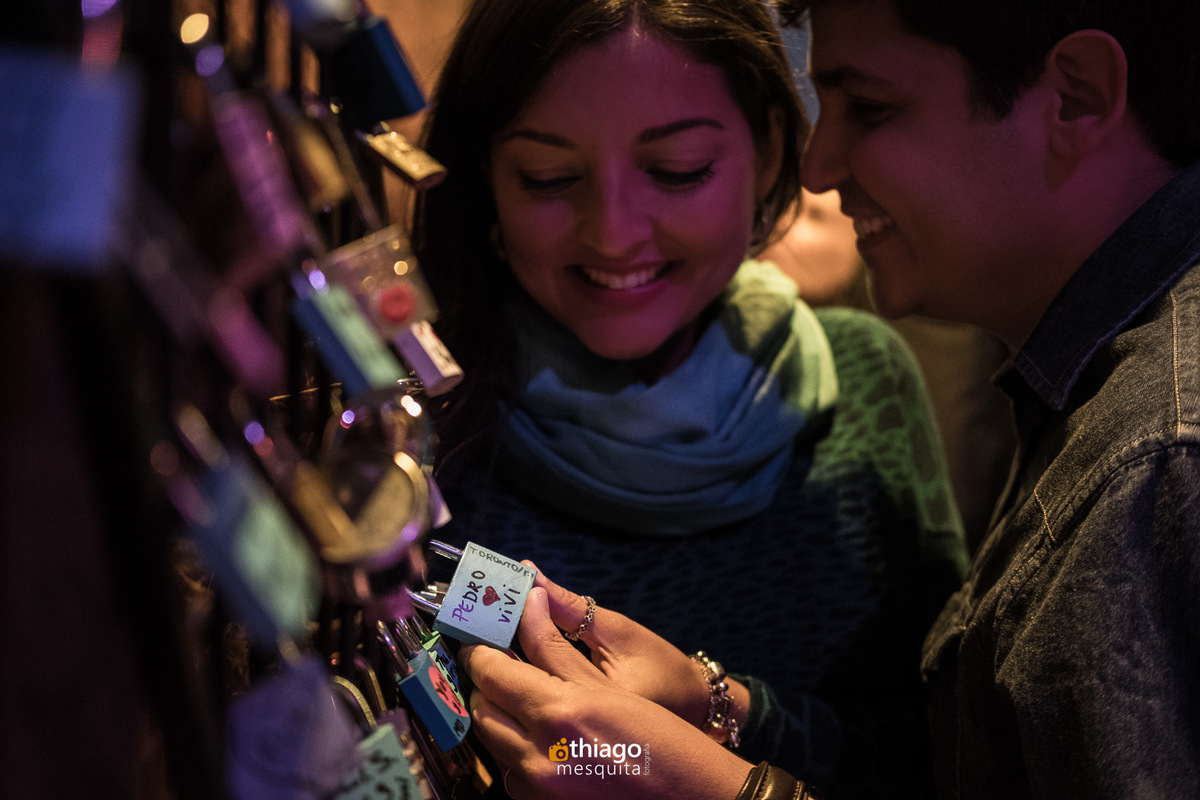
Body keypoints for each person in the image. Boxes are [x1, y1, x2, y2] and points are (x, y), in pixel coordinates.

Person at [464, 0, 1200, 798]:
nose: (820, 169)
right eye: (548, 177)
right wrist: (721, 707)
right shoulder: (1110, 406)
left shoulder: (1157, 458)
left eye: (679, 168)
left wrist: (700, 783)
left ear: (1076, 95)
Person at [409, 0, 967, 797]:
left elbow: (945, 753)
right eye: (550, 177)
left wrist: (717, 714)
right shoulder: (421, 421)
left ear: (772, 153)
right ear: (485, 178)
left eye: (677, 171)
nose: (613, 234)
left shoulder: (865, 380)